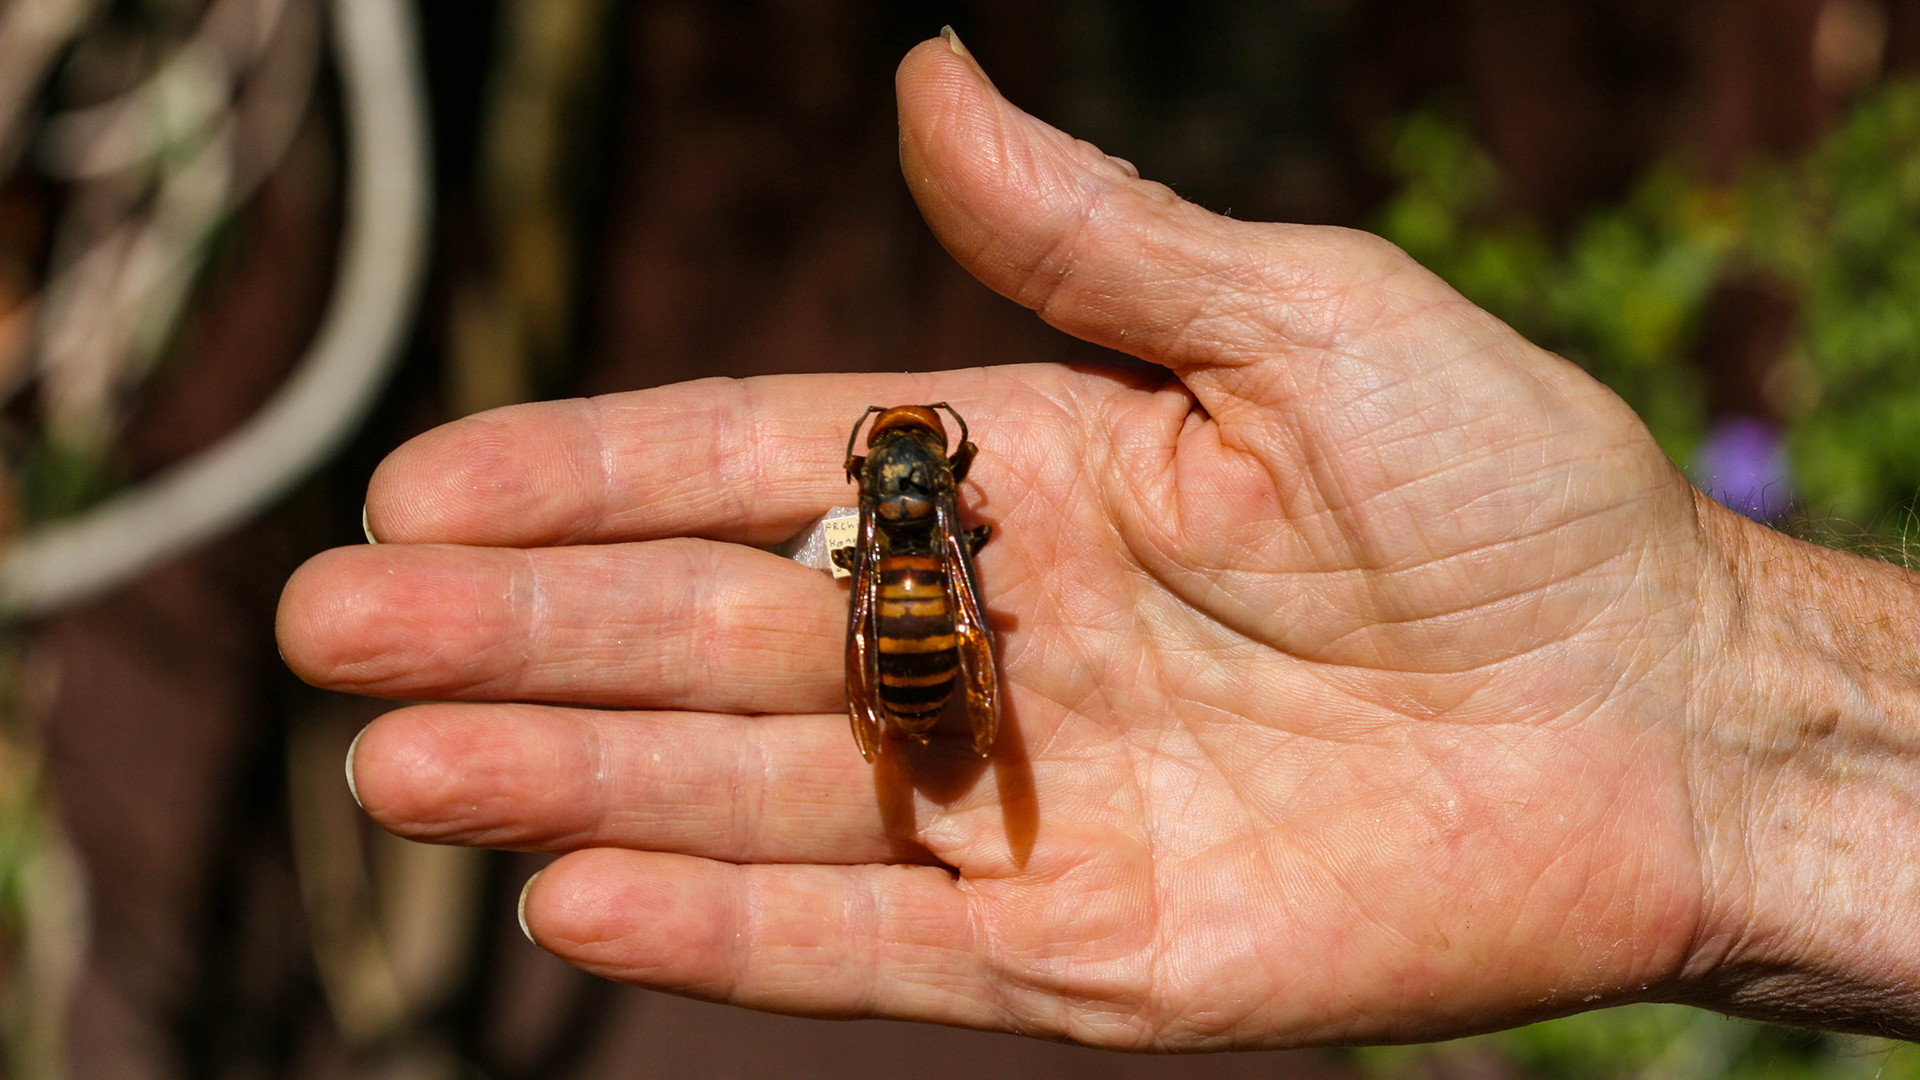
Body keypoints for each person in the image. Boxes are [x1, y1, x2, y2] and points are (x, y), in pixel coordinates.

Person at [276, 31, 1920, 1047]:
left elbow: (903, 598)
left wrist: (1733, 711)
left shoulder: (885, 548)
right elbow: (939, 586)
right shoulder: (940, 543)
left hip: (915, 672)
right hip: (926, 670)